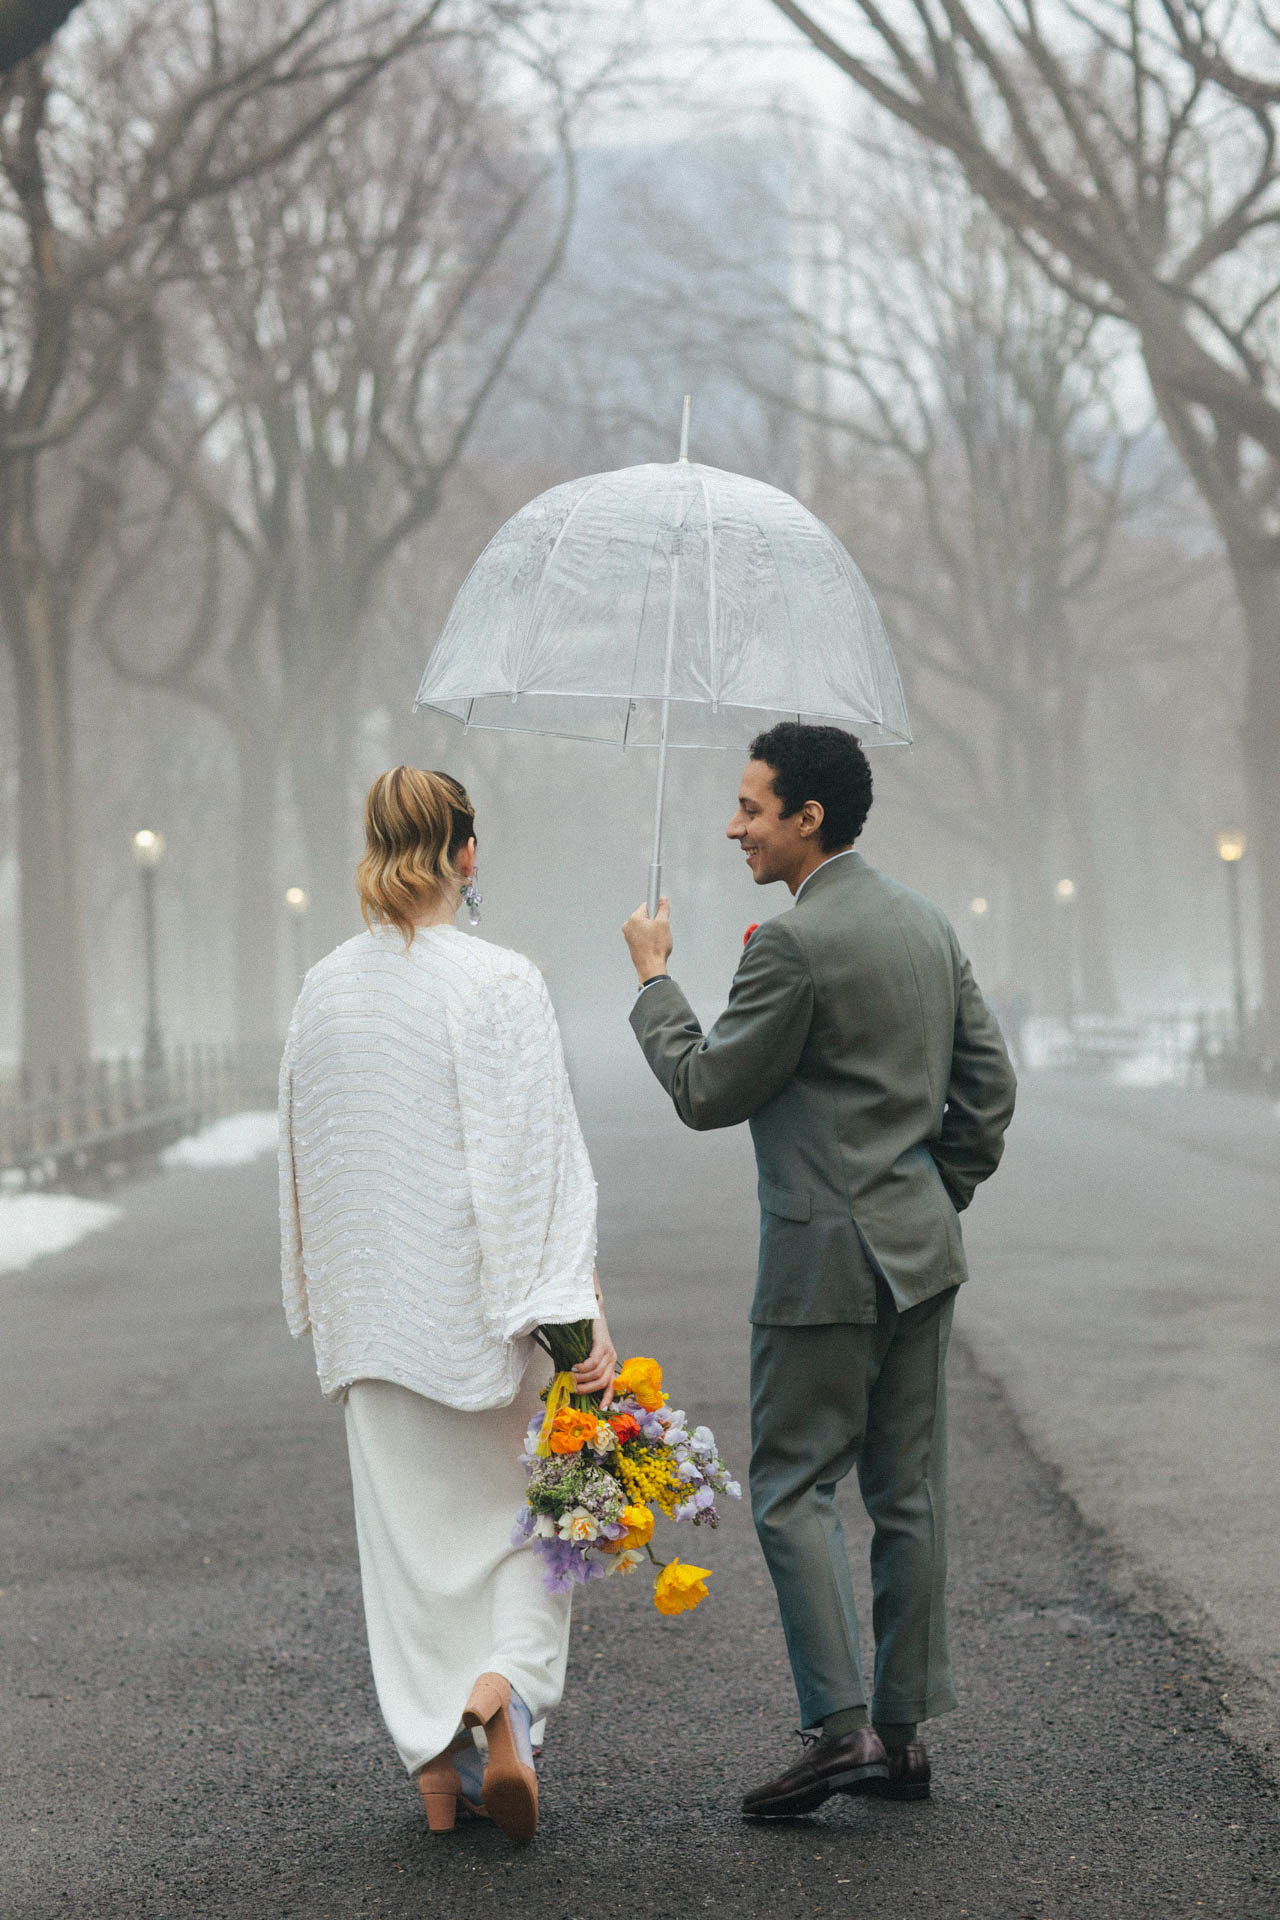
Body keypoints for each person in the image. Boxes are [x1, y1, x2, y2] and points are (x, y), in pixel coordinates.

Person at [622, 722, 1016, 1818]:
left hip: (820, 1266)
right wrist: (936, 1193)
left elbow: (706, 1089)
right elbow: (986, 1091)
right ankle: (901, 1736)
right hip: (919, 1256)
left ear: (808, 819)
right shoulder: (925, 924)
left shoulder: (791, 947)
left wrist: (655, 979)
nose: (734, 824)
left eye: (751, 807)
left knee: (794, 1491)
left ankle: (834, 1731)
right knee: (907, 1496)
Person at [278, 766, 615, 1841]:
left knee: (413, 1565)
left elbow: (304, 1164)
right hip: (481, 1326)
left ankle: (438, 1772)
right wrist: (569, 1327)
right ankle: (502, 1693)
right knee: (539, 1525)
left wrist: (323, 1303)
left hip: (371, 1328)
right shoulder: (499, 981)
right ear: (466, 855)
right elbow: (528, 1172)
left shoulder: (320, 989)